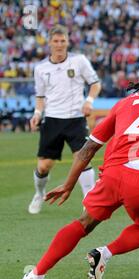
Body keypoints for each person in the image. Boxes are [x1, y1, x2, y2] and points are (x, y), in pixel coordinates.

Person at [22, 61, 139, 279]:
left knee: (85, 222)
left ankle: (36, 274)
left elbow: (88, 148)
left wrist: (68, 184)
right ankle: (105, 253)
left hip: (111, 174)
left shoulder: (123, 104)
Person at [28, 25, 101, 214]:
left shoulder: (79, 61)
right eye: (56, 41)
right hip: (52, 119)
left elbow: (95, 84)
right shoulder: (41, 68)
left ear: (68, 42)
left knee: (82, 158)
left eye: (63, 41)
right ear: (50, 43)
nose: (59, 45)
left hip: (76, 119)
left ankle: (89, 201)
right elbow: (40, 96)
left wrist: (89, 101)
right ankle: (39, 193)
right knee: (44, 166)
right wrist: (37, 113)